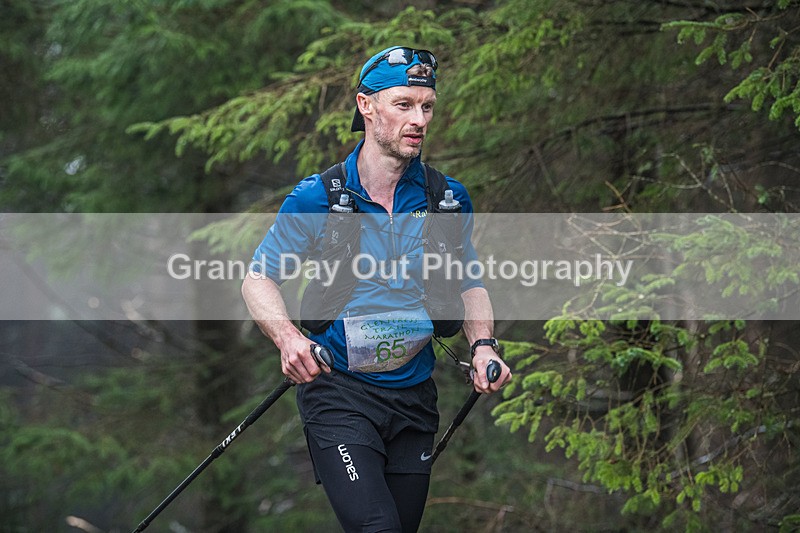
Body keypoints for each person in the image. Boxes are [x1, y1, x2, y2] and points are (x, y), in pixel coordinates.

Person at [242, 46, 512, 532]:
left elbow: (470, 281)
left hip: (414, 399)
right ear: (366, 106)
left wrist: (484, 346)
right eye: (404, 104)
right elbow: (259, 279)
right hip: (339, 394)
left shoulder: (445, 199)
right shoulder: (318, 198)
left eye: (427, 106)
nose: (419, 119)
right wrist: (288, 339)